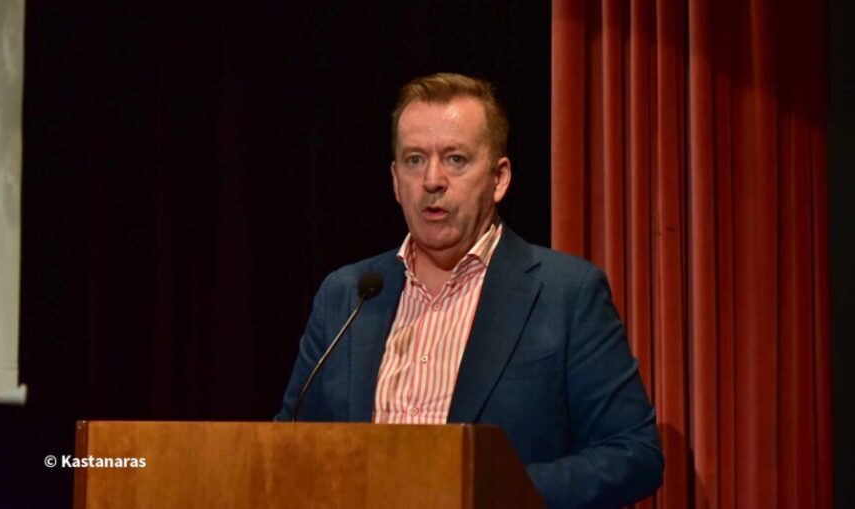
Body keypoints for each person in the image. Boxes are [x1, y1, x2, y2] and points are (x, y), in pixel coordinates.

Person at [276, 73, 663, 508]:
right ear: (395, 180)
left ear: (499, 178)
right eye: (415, 159)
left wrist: (491, 488)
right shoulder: (347, 295)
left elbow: (633, 455)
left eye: (455, 159)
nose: (432, 180)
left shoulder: (566, 294)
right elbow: (287, 446)